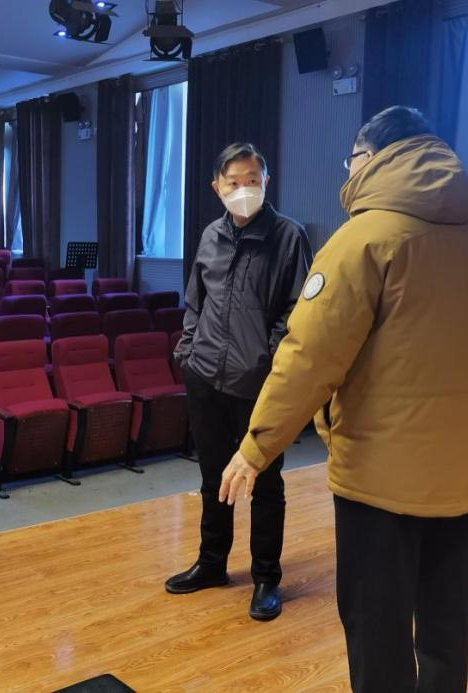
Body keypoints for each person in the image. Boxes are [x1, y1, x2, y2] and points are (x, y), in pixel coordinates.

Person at [219, 106, 468, 692]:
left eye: (351, 159)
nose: (348, 169)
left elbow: (308, 357)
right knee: (444, 627)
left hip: (379, 476)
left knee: (377, 627)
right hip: (457, 474)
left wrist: (256, 447)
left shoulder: (362, 239)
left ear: (372, 158)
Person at [166, 143, 312, 621]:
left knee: (265, 481)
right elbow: (196, 301)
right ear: (218, 187)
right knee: (213, 477)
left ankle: (266, 576)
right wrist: (188, 352)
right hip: (206, 375)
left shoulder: (288, 236)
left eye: (253, 179)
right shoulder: (210, 235)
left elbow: (297, 309)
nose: (244, 188)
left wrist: (269, 359)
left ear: (266, 181)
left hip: (259, 382)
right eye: (234, 182)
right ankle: (212, 563)